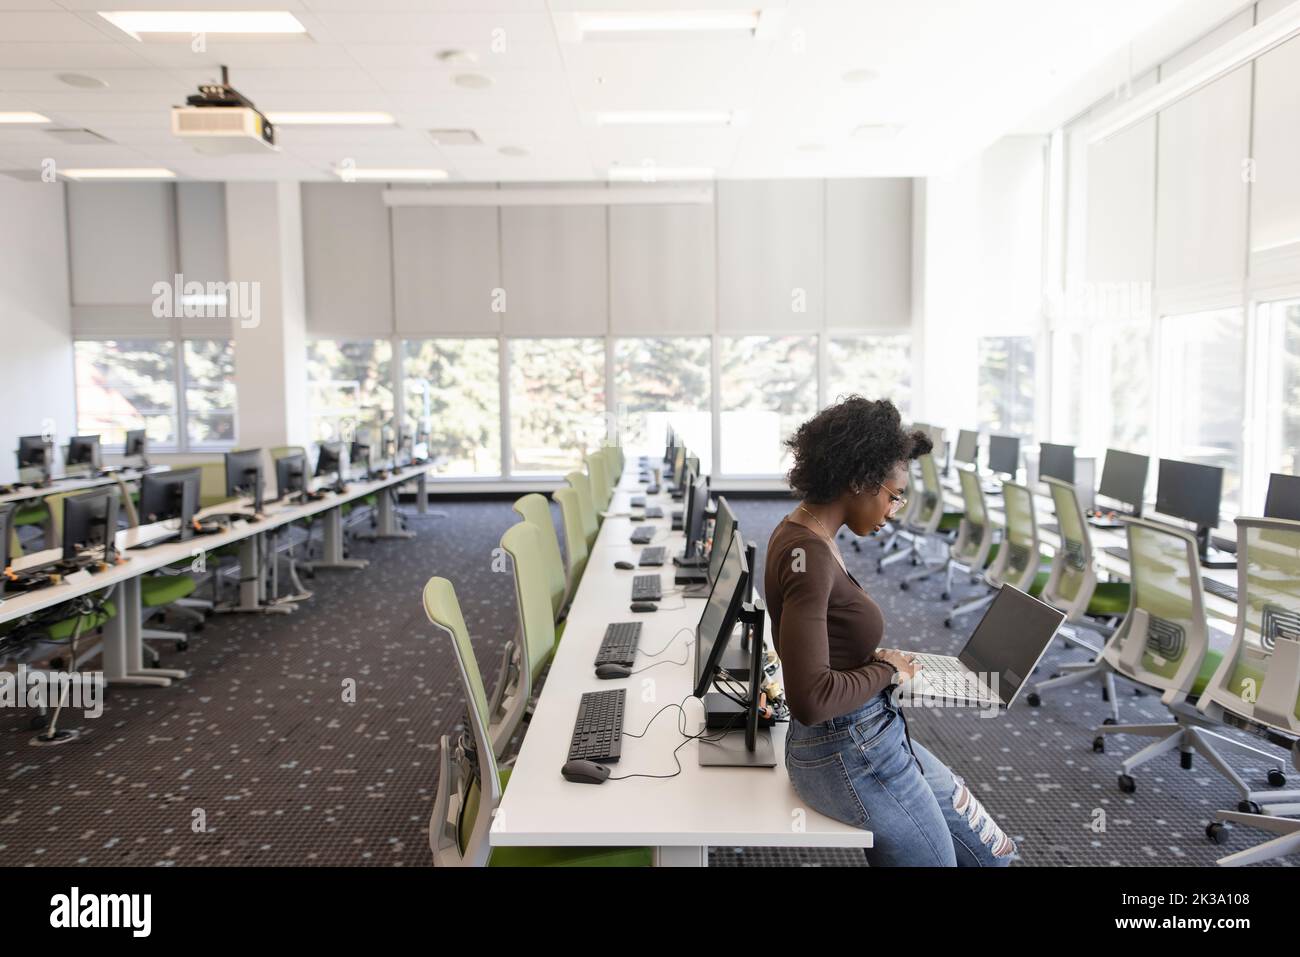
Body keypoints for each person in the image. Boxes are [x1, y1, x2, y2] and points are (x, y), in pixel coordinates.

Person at [764, 396, 1016, 866]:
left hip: (876, 731)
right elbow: (811, 700)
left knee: (991, 855)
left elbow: (824, 646)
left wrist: (872, 661)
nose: (894, 508)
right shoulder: (809, 555)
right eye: (893, 494)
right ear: (858, 481)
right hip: (845, 750)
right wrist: (888, 672)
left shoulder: (806, 534)